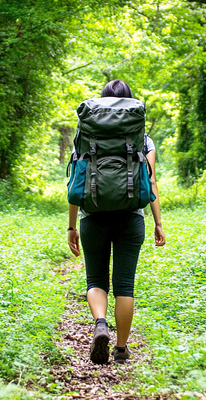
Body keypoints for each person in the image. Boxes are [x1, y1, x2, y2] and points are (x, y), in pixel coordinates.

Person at [67, 79, 166, 365]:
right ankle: (121, 349)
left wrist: (72, 226)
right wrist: (158, 222)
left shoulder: (85, 136)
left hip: (93, 217)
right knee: (125, 284)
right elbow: (152, 182)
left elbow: (77, 180)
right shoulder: (142, 140)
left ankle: (100, 323)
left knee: (96, 279)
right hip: (131, 217)